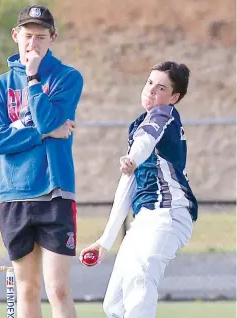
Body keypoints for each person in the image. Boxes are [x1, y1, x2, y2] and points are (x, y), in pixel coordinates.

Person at [0, 5, 83, 318]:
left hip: (55, 191)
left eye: (41, 36)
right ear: (16, 35)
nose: (33, 43)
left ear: (53, 37)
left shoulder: (68, 78)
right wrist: (43, 134)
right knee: (27, 288)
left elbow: (49, 117)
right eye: (27, 35)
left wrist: (33, 76)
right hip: (13, 194)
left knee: (58, 288)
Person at [80, 61, 198, 318]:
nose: (152, 91)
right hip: (145, 219)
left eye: (161, 87)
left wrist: (132, 157)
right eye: (149, 83)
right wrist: (104, 241)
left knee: (140, 280)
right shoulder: (140, 124)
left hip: (168, 214)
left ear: (174, 97)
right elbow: (128, 185)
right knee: (115, 303)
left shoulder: (163, 115)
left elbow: (145, 141)